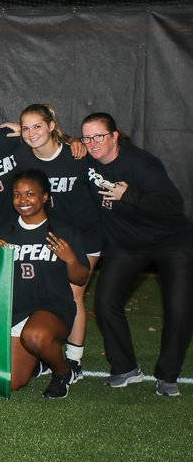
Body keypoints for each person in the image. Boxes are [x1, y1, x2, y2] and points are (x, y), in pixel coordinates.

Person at [80, 112, 193, 395]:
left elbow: (173, 204)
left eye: (99, 136)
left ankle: (167, 375)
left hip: (171, 241)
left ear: (115, 136)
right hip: (128, 244)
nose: (93, 143)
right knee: (105, 303)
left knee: (180, 310)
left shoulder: (141, 163)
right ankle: (126, 367)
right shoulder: (83, 159)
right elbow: (50, 141)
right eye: (87, 137)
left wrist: (129, 195)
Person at [17, 103, 101, 374]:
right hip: (49, 237)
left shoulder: (76, 154)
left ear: (52, 126)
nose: (31, 133)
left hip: (85, 235)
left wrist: (76, 141)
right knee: (45, 294)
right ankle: (46, 354)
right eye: (26, 128)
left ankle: (73, 360)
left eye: (38, 126)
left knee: (74, 293)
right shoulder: (23, 157)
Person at [0, 170, 88, 398]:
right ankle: (40, 361)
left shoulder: (62, 231)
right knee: (13, 382)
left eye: (30, 194)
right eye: (17, 195)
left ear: (45, 197)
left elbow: (80, 278)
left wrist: (71, 259)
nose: (23, 200)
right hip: (17, 309)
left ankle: (63, 372)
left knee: (34, 335)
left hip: (52, 308)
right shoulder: (5, 231)